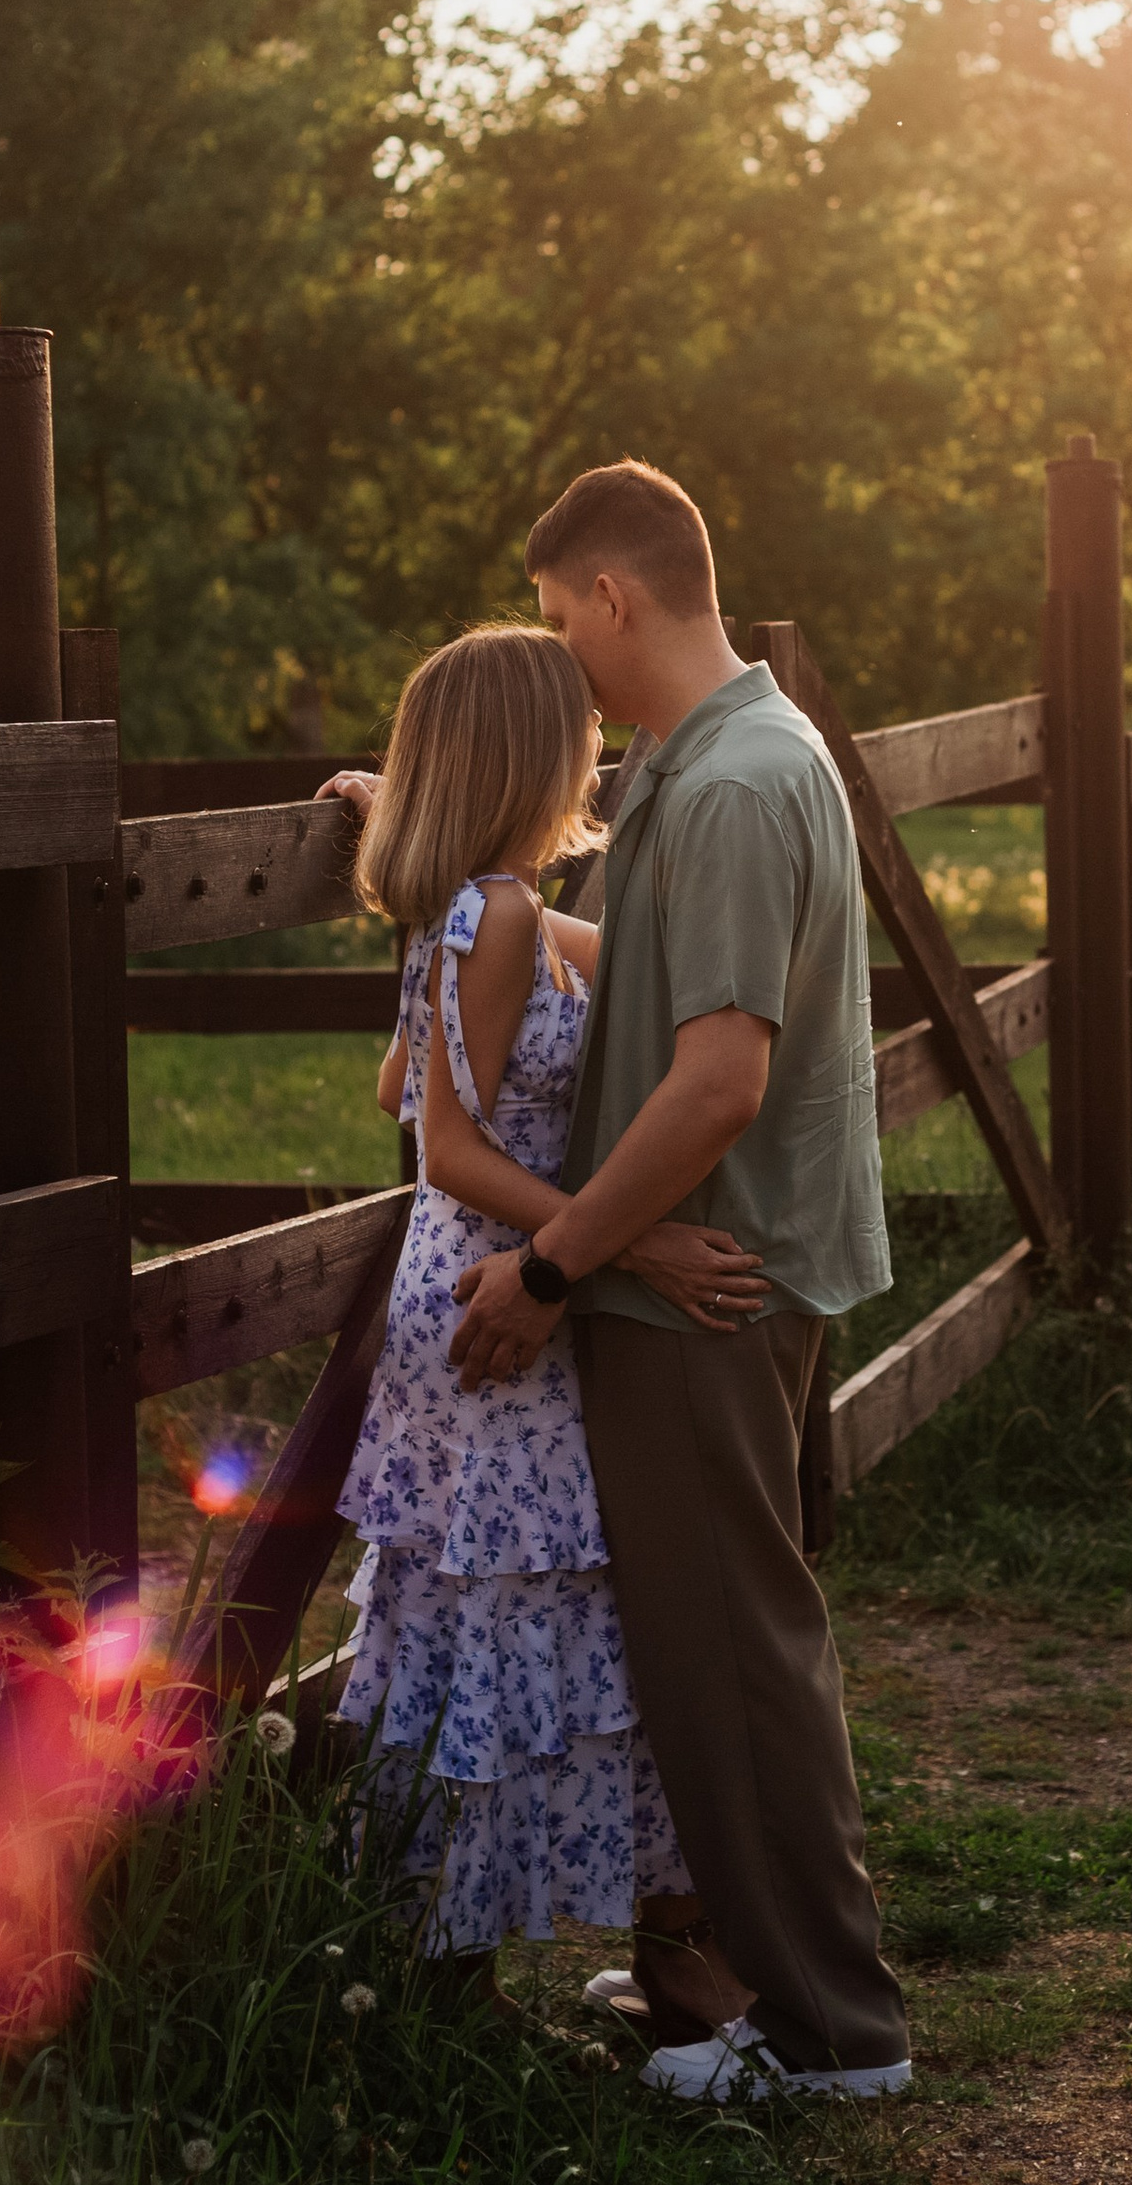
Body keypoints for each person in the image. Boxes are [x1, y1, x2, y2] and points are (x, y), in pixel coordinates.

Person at [448, 462, 912, 2101]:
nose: (556, 643)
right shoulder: (716, 757)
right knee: (734, 1645)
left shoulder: (720, 788)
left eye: (559, 609)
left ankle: (826, 2037)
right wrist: (417, 824)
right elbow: (617, 959)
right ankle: (787, 1991)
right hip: (735, 1271)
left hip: (701, 1288)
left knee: (735, 1656)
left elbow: (717, 1077)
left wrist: (554, 1266)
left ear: (614, 598)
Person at [319, 625, 767, 2009]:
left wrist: (400, 831)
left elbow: (408, 1079)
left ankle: (440, 1960)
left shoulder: (475, 906)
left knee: (485, 1626)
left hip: (477, 1304)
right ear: (531, 754)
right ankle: (456, 1965)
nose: (598, 748)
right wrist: (634, 1249)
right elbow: (443, 1147)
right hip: (490, 1309)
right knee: (523, 1627)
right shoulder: (491, 916)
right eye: (578, 732)